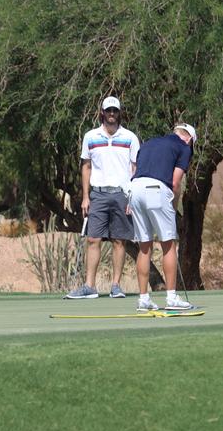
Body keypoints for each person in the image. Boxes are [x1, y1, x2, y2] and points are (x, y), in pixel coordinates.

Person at [65, 96, 140, 299]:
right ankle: (90, 286)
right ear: (102, 113)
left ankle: (116, 286)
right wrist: (85, 197)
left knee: (119, 240)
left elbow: (135, 168)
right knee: (93, 239)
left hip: (122, 194)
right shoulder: (91, 137)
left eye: (115, 111)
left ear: (119, 113)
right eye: (108, 111)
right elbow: (86, 166)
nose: (112, 114)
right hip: (98, 193)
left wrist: (133, 197)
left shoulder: (130, 137)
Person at [127, 123, 197, 310]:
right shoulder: (184, 147)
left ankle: (143, 299)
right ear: (189, 139)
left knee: (144, 246)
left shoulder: (149, 143)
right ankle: (172, 298)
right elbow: (175, 182)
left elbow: (136, 171)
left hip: (134, 189)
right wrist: (173, 206)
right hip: (156, 190)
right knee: (168, 244)